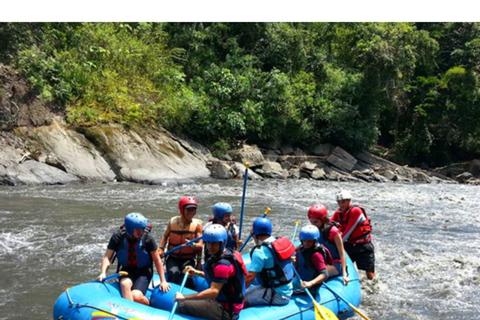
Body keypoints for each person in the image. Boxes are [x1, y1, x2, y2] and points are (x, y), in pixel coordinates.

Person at [175, 224, 247, 320]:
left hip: (226, 309)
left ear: (222, 243)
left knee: (181, 305)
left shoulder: (222, 265)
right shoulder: (229, 253)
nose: (210, 247)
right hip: (230, 304)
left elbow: (214, 291)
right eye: (208, 243)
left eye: (214, 243)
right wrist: (197, 272)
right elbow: (219, 279)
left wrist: (184, 297)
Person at [98, 212, 170, 305]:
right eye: (137, 229)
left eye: (142, 229)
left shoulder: (148, 238)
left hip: (143, 272)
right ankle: (129, 313)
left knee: (135, 296)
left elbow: (157, 260)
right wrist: (103, 273)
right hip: (126, 271)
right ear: (129, 229)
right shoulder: (118, 237)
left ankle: (148, 305)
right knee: (125, 284)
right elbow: (107, 257)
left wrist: (163, 281)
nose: (140, 232)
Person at [244, 217, 294, 307]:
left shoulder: (259, 252)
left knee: (238, 301)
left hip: (277, 294)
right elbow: (265, 254)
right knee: (247, 292)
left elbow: (250, 277)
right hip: (286, 289)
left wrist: (235, 292)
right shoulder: (277, 243)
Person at [158, 196, 203, 289]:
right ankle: (170, 297)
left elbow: (200, 245)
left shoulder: (197, 225)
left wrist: (198, 263)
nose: (191, 212)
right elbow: (165, 236)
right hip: (173, 258)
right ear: (182, 209)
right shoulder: (172, 222)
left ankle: (191, 297)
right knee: (173, 274)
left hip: (188, 259)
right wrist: (161, 248)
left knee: (187, 275)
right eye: (188, 209)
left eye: (193, 210)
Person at [331, 190, 375, 280]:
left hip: (363, 246)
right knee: (345, 269)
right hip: (350, 245)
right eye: (339, 202)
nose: (341, 204)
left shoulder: (356, 211)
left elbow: (348, 232)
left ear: (349, 200)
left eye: (343, 201)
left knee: (370, 275)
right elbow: (328, 225)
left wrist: (337, 243)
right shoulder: (338, 213)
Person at [308, 204, 348, 285]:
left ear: (322, 220)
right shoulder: (314, 230)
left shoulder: (333, 231)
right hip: (321, 260)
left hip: (335, 263)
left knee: (314, 273)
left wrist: (344, 274)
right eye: (311, 221)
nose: (313, 224)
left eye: (315, 222)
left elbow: (341, 252)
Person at [294, 225, 333, 292]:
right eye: (305, 240)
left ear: (315, 241)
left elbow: (325, 274)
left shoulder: (316, 255)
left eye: (310, 241)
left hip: (309, 284)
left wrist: (310, 283)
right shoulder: (301, 248)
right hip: (300, 279)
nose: (306, 243)